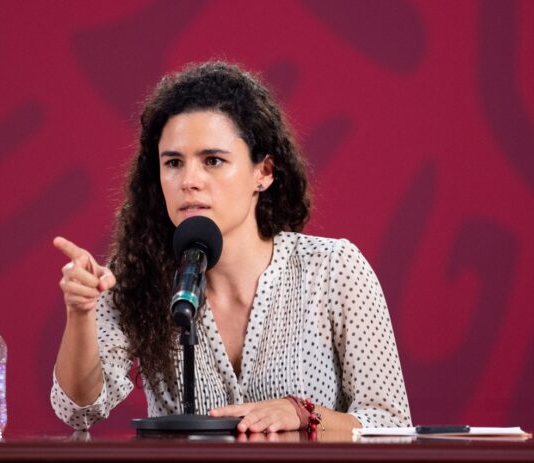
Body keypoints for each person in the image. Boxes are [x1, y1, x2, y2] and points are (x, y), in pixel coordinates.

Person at [50, 61, 412, 434]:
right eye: (173, 162)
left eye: (213, 161)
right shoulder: (136, 276)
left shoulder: (334, 268)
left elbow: (392, 425)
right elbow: (78, 412)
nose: (189, 181)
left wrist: (305, 414)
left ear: (264, 172)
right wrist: (80, 313)